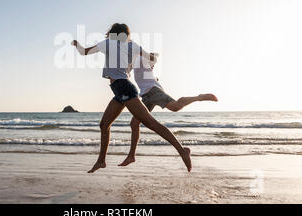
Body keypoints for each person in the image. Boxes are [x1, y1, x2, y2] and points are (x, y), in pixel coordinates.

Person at [71, 23, 192, 173]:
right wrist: (151, 64)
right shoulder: (132, 45)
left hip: (123, 88)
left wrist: (76, 44)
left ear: (112, 33)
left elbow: (83, 52)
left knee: (151, 123)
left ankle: (182, 150)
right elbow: (153, 57)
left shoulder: (109, 43)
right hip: (120, 90)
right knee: (104, 125)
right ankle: (101, 161)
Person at [118, 54, 218, 167]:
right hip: (146, 95)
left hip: (153, 91)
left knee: (175, 107)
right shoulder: (133, 62)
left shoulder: (141, 57)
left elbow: (154, 57)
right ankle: (131, 156)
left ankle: (199, 97)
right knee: (134, 123)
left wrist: (150, 61)